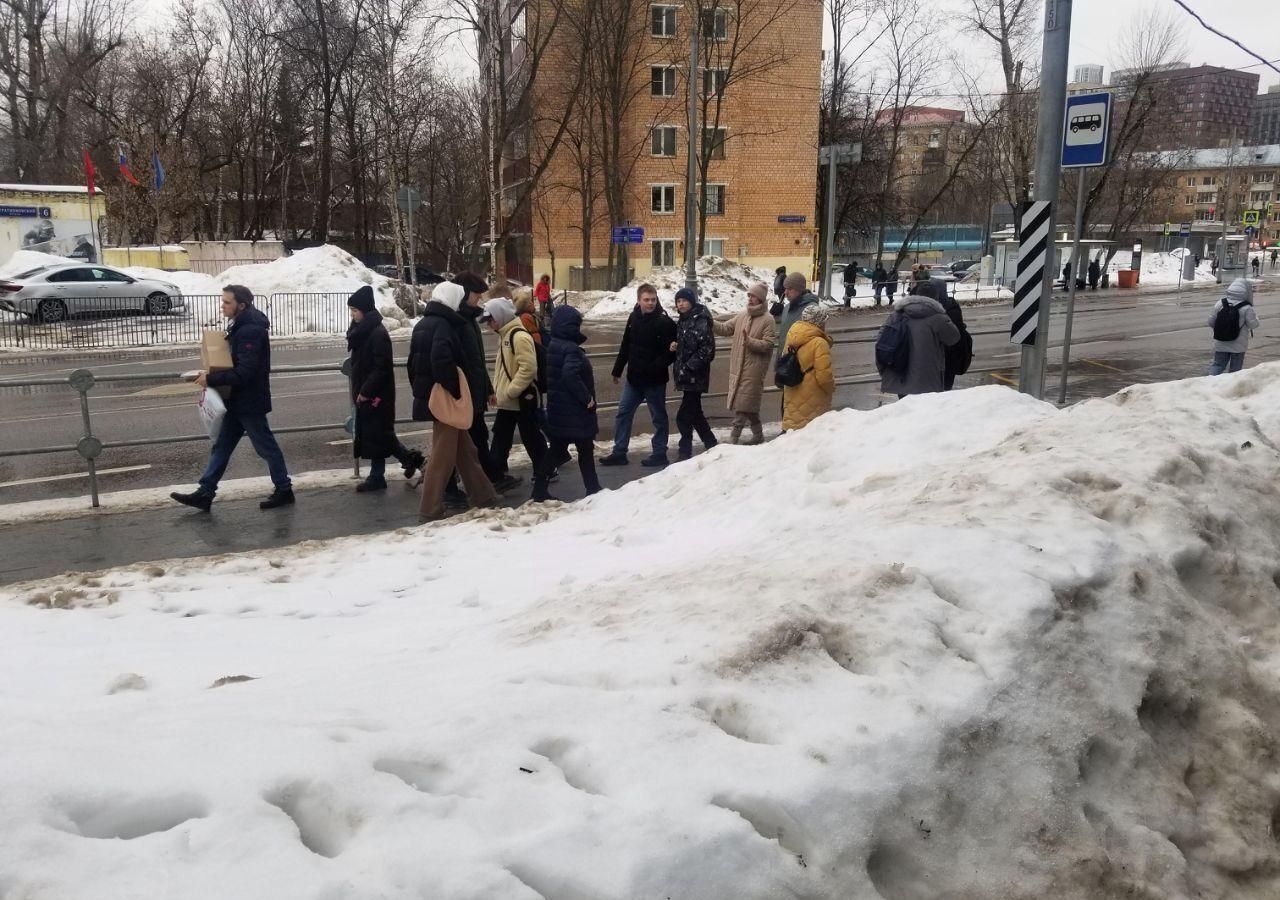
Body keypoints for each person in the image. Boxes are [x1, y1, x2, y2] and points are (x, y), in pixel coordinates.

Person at [171, 285, 294, 511]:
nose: (222, 306)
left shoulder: (250, 331)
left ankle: (284, 489)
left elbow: (245, 372)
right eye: (223, 301)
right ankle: (205, 492)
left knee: (266, 447)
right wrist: (211, 373)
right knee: (222, 446)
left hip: (249, 401)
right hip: (237, 400)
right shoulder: (241, 325)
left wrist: (212, 379)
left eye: (227, 302)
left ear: (242, 305)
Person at [407, 281, 499, 520]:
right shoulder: (444, 326)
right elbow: (443, 364)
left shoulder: (423, 325)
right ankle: (429, 509)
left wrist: (422, 391)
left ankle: (484, 495)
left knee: (465, 450)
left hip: (432, 397)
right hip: (446, 400)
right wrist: (457, 392)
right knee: (442, 456)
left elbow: (412, 365)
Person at [345, 286, 424, 492]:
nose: (352, 315)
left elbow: (382, 368)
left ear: (365, 310)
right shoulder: (362, 331)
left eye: (355, 310)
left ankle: (383, 474)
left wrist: (366, 391)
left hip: (377, 394)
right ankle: (403, 463)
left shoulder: (377, 333)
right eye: (351, 311)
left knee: (380, 434)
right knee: (377, 434)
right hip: (368, 392)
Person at [451, 272, 519, 494]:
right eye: (476, 295)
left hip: (474, 391)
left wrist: (488, 389)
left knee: (476, 438)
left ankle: (491, 477)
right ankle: (453, 485)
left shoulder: (468, 319)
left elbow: (477, 360)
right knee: (463, 441)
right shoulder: (457, 321)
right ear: (463, 293)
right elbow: (461, 363)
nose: (478, 300)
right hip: (465, 393)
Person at [599, 283, 676, 468]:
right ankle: (619, 453)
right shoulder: (633, 317)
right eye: (646, 300)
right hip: (633, 380)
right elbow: (626, 345)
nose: (650, 303)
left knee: (658, 417)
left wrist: (654, 367)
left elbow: (671, 352)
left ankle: (659, 453)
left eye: (653, 300)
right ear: (638, 300)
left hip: (654, 381)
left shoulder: (664, 322)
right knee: (623, 413)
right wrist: (617, 370)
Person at [533, 306, 602, 502]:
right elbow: (570, 375)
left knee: (556, 449)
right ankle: (593, 488)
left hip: (560, 409)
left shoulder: (555, 343)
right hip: (576, 411)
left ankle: (539, 488)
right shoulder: (571, 348)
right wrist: (586, 397)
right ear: (571, 326)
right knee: (585, 449)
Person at [483, 297, 548, 480]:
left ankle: (544, 471)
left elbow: (528, 368)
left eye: (491, 319)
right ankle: (497, 473)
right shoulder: (505, 334)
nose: (489, 324)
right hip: (510, 400)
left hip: (519, 398)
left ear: (501, 316)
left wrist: (511, 390)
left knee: (531, 437)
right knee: (501, 436)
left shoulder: (518, 336)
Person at [713, 283, 777, 444]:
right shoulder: (743, 315)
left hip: (754, 370)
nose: (750, 299)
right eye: (749, 295)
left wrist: (750, 342)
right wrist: (710, 321)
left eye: (753, 296)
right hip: (738, 368)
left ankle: (733, 438)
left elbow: (768, 344)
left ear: (761, 299)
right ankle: (758, 436)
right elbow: (725, 328)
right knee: (749, 406)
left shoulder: (768, 320)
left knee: (743, 406)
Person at [879, 285, 962, 399]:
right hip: (928, 378)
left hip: (901, 374)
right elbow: (954, 338)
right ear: (935, 298)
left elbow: (882, 340)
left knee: (905, 411)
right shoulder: (938, 317)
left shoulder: (897, 315)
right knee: (925, 413)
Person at [671, 287, 718, 460]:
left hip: (695, 377)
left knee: (684, 416)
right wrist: (675, 347)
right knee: (695, 414)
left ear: (692, 301)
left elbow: (707, 350)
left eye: (684, 300)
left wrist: (689, 367)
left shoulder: (700, 320)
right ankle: (711, 444)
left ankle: (684, 452)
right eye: (678, 301)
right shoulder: (683, 321)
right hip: (685, 376)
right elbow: (687, 345)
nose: (681, 304)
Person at [781, 304, 835, 432]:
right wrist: (831, 388)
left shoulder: (792, 334)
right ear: (819, 322)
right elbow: (824, 377)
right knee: (810, 437)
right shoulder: (819, 343)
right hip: (813, 398)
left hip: (792, 389)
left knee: (793, 433)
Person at [1207, 278, 1260, 376]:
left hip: (1221, 342)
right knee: (1235, 371)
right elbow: (1253, 324)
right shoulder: (1246, 307)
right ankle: (1231, 388)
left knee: (1218, 365)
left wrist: (1223, 329)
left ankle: (1209, 385)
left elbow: (1211, 322)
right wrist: (1256, 318)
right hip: (1238, 345)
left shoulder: (1220, 303)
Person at [775, 271, 819, 356]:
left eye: (790, 289)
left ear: (800, 289)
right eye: (785, 288)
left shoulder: (812, 309)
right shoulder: (787, 307)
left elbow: (817, 342)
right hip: (784, 363)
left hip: (800, 365)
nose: (785, 292)